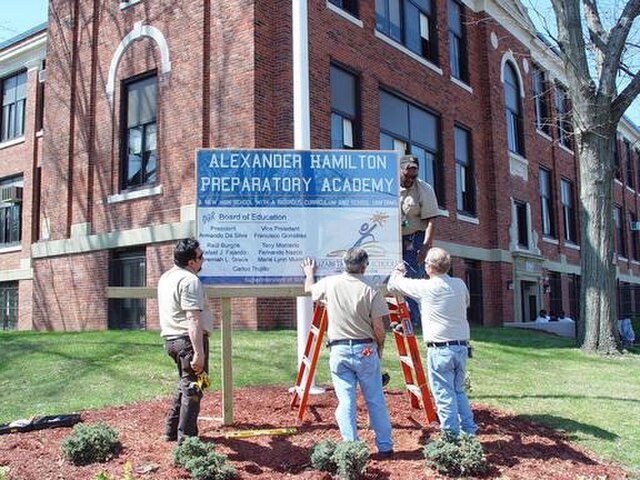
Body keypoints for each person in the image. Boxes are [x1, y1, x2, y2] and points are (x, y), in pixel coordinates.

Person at [302, 248, 394, 457]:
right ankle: (385, 447)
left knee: (346, 401)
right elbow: (379, 327)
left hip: (339, 349)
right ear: (364, 266)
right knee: (375, 400)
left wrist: (309, 273)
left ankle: (352, 448)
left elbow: (309, 290)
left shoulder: (330, 283)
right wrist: (379, 346)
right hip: (366, 349)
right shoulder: (371, 288)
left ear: (345, 264)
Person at [387, 247, 477, 438]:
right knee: (458, 392)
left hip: (440, 349)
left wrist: (397, 271)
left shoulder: (426, 287)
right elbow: (466, 303)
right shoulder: (460, 284)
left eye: (426, 263)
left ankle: (451, 438)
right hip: (460, 347)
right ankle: (469, 433)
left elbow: (393, 285)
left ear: (429, 267)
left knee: (444, 395)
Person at [158, 238, 213, 443]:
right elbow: (192, 317)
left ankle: (171, 431)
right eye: (200, 257)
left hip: (171, 341)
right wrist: (198, 352)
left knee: (185, 384)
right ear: (191, 262)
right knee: (193, 389)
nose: (203, 260)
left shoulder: (166, 277)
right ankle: (187, 441)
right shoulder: (190, 281)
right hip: (188, 342)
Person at [399, 154, 440, 326]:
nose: (410, 179)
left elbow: (431, 220)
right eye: (407, 175)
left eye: (414, 176)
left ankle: (411, 320)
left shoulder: (424, 189)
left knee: (412, 276)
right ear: (400, 170)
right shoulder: (387, 183)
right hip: (391, 238)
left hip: (415, 238)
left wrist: (426, 246)